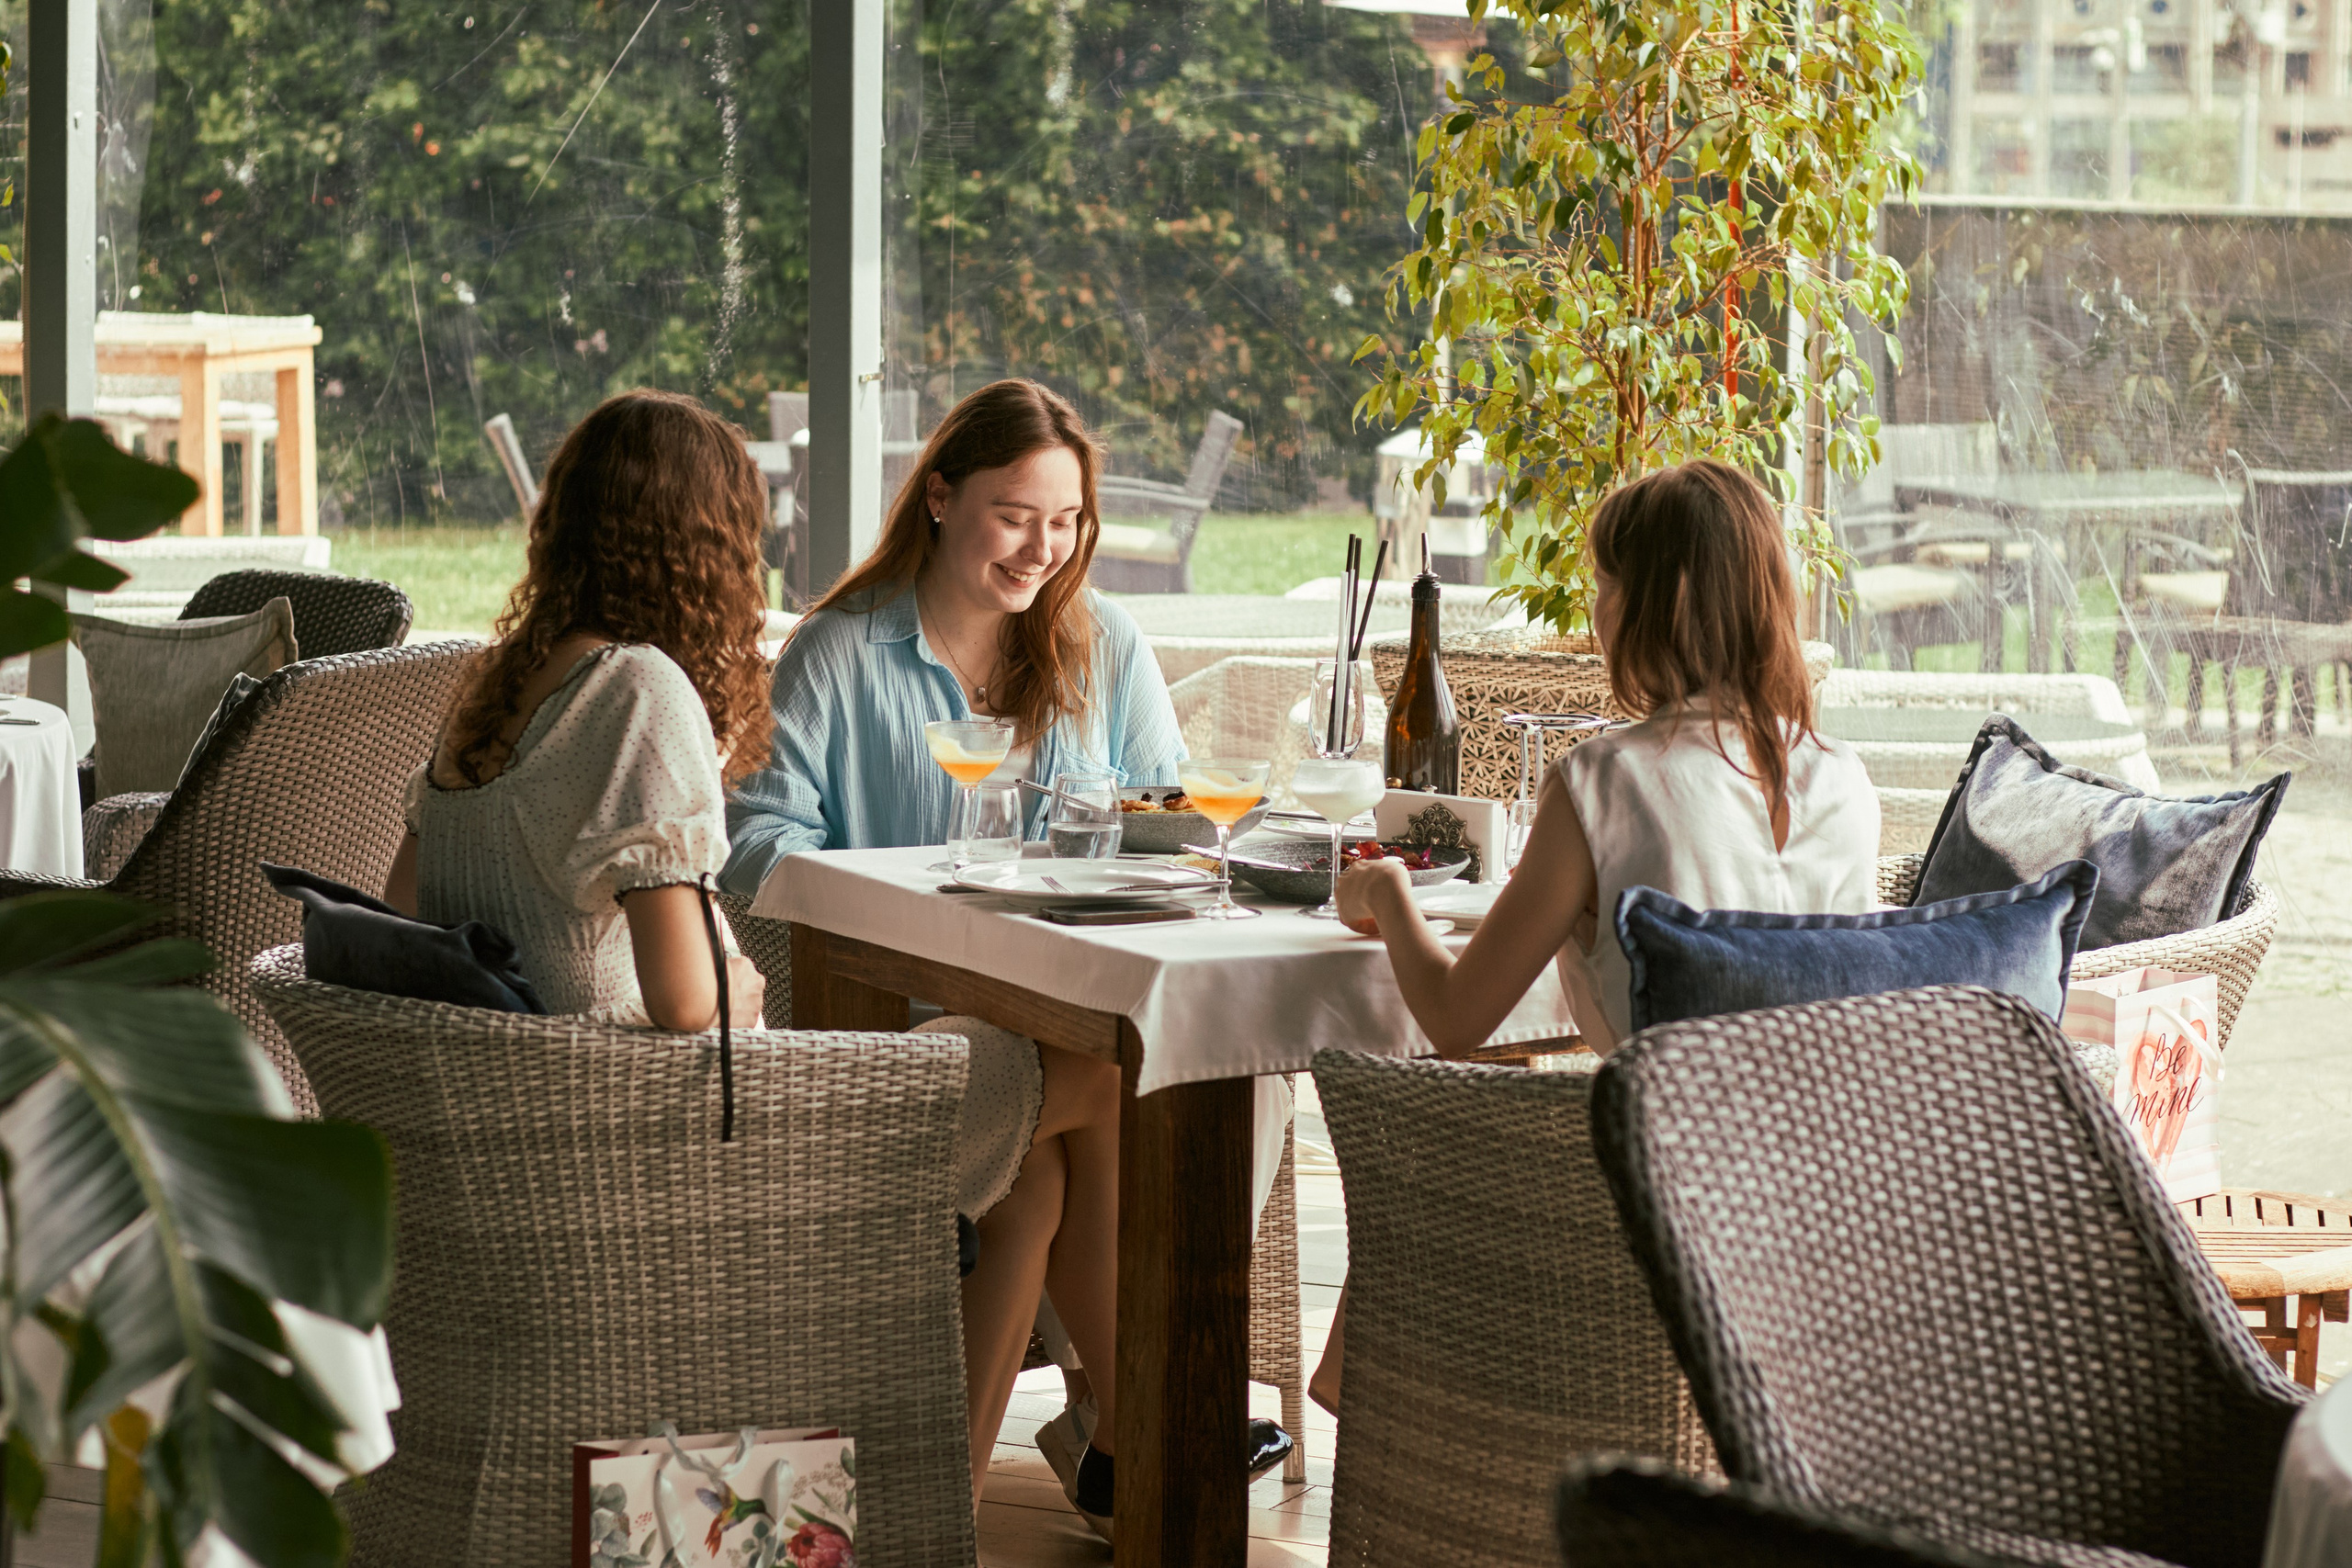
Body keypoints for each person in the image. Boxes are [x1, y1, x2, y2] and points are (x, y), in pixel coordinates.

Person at [721, 378, 1289, 1531]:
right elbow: (755, 844)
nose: (1043, 548)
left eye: (1066, 520)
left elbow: (1161, 814)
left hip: (1066, 994)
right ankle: (1145, 1433)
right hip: (904, 1016)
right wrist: (908, 887)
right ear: (938, 497)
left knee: (1069, 1156)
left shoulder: (1101, 641)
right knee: (1133, 1090)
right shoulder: (841, 649)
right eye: (1014, 515)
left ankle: (967, 1506)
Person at [1315, 457, 1882, 1409]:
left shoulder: (1608, 780)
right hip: (1820, 1200)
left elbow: (1456, 1019)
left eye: (1604, 584)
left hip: (1660, 1208)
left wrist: (1385, 891)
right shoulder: (1842, 774)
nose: (1595, 607)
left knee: (1427, 1141)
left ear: (1657, 601)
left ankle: (1400, 1429)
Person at [384, 388, 771, 1037]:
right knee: (965, 1044)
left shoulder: (500, 684)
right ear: (708, 553)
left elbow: (403, 908)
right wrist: (736, 989)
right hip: (629, 1095)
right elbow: (685, 1005)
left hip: (495, 1082)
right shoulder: (640, 688)